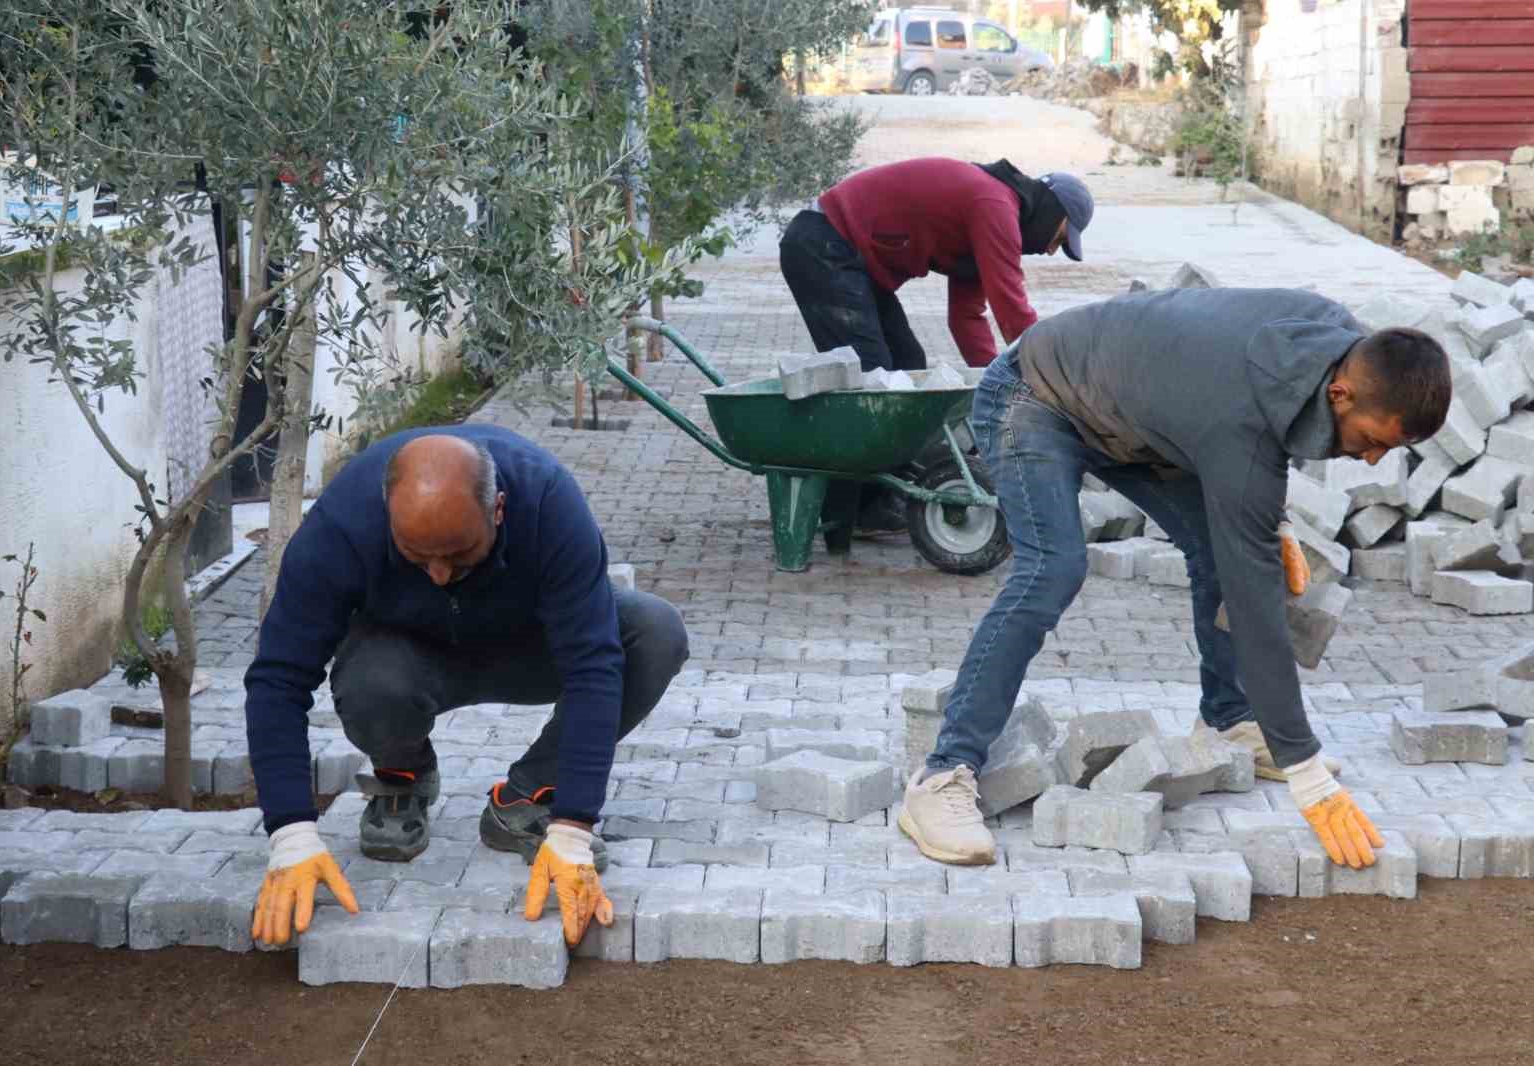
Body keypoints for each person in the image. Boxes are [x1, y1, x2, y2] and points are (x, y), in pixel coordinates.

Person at [896, 287, 1452, 871]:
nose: (1370, 461)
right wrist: (1306, 771)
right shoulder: (1238, 416)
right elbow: (1255, 599)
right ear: (1340, 394)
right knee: (1052, 568)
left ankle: (1230, 719)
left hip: (1138, 419)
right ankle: (942, 775)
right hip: (1036, 395)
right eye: (1372, 442)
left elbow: (1260, 422)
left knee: (1223, 549)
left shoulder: (1339, 337)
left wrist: (1268, 518)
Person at [245, 426, 690, 948]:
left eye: (459, 554)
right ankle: (402, 776)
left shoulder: (548, 501)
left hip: (530, 645)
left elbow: (593, 664)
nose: (437, 573)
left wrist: (573, 828)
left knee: (655, 632)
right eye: (417, 555)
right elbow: (279, 676)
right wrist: (291, 835)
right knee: (372, 682)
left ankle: (527, 799)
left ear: (499, 509)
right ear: (387, 511)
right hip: (407, 659)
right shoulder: (341, 525)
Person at [778, 156, 1094, 532]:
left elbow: (967, 320)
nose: (1049, 250)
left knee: (908, 363)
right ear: (1050, 211)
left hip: (849, 258)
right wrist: (1051, 381)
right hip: (824, 244)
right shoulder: (994, 206)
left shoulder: (992, 212)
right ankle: (843, 511)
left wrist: (994, 389)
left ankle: (873, 500)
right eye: (1059, 238)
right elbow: (1012, 310)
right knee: (873, 379)